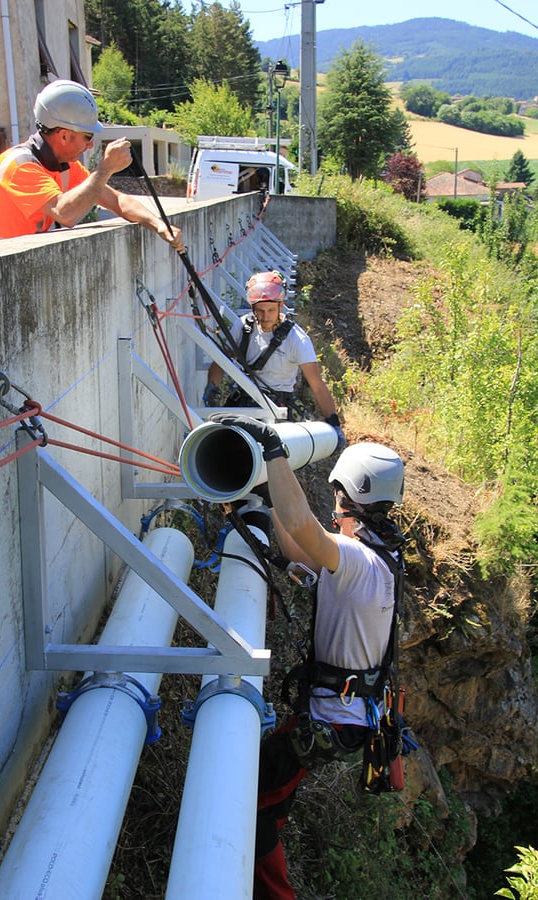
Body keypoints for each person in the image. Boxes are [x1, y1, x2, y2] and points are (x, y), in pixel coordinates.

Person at [212, 415, 406, 900]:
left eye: (337, 494)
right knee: (268, 800)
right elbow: (300, 549)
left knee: (247, 802)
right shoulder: (379, 554)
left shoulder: (356, 559)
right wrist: (263, 498)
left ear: (346, 494)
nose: (333, 503)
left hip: (331, 719)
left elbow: (304, 526)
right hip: (340, 719)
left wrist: (273, 449)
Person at [0, 79, 184, 250]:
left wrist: (158, 225)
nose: (90, 145)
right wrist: (105, 168)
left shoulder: (64, 166)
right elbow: (66, 214)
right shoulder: (20, 166)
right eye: (88, 136)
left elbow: (117, 200)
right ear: (64, 136)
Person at [203, 271, 343, 437]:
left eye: (271, 310)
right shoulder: (243, 327)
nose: (266, 316)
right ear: (253, 308)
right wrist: (212, 387)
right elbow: (222, 360)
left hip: (278, 404)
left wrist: (334, 424)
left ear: (280, 306)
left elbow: (317, 386)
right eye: (260, 311)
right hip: (245, 399)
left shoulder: (296, 340)